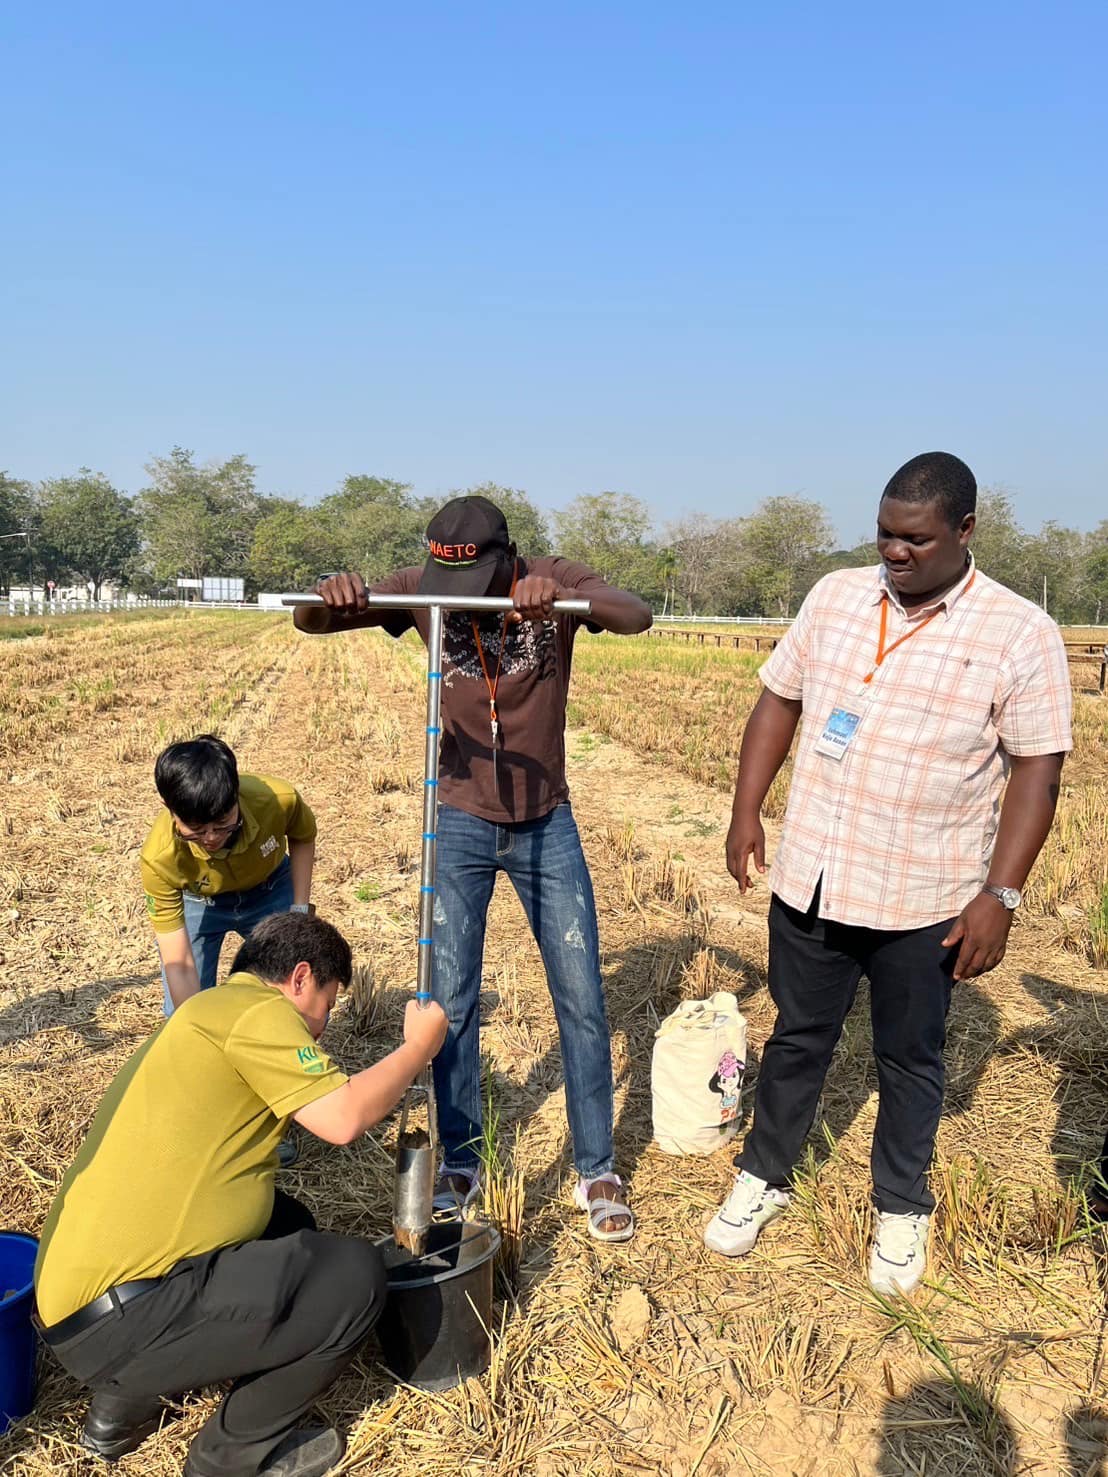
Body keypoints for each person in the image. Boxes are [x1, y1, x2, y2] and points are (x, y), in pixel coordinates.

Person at [704, 452, 1072, 1294]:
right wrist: (744, 807)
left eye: (916, 539)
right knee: (799, 1036)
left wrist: (1000, 894)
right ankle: (762, 1176)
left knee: (911, 1057)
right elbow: (781, 700)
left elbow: (1037, 772)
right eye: (884, 535)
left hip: (926, 896)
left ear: (967, 531)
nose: (895, 553)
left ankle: (901, 1207)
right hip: (814, 877)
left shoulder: (1020, 632)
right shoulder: (836, 596)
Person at [294, 494, 652, 1241]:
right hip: (456, 820)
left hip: (545, 822)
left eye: (477, 584)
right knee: (449, 1002)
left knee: (582, 994)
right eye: (442, 583)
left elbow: (633, 612)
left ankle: (596, 1166)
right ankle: (462, 1157)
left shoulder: (549, 580)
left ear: (507, 559)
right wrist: (333, 597)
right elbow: (311, 621)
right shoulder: (426, 588)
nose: (454, 601)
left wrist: (559, 601)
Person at [34, 912, 448, 1477]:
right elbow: (344, 1117)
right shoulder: (261, 1013)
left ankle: (120, 1407)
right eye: (327, 1005)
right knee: (353, 1276)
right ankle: (226, 1458)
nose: (322, 1027)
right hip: (124, 1322)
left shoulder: (208, 1010)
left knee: (288, 1222)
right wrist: (417, 1050)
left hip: (77, 1303)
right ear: (300, 978)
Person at [140, 735, 317, 1014]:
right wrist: (197, 1028)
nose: (211, 837)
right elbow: (180, 962)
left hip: (270, 888)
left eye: (223, 823)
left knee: (301, 994)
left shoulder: (277, 800)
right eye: (196, 829)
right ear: (168, 807)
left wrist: (299, 910)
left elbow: (303, 836)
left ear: (236, 794)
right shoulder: (160, 859)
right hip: (199, 901)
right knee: (182, 1011)